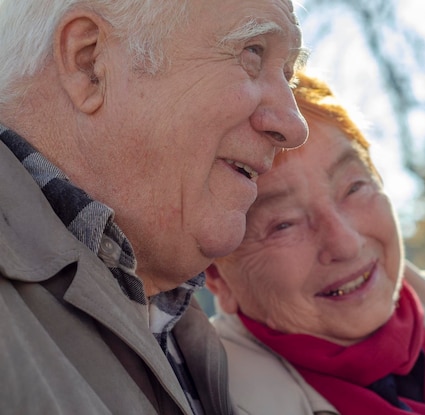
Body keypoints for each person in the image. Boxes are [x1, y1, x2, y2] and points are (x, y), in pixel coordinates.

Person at [0, 1, 308, 414]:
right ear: (90, 62)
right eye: (252, 51)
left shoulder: (177, 327)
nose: (293, 125)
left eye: (288, 75)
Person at [206, 72, 425, 415]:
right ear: (216, 278)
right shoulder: (202, 398)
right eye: (283, 224)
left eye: (355, 187)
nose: (345, 243)